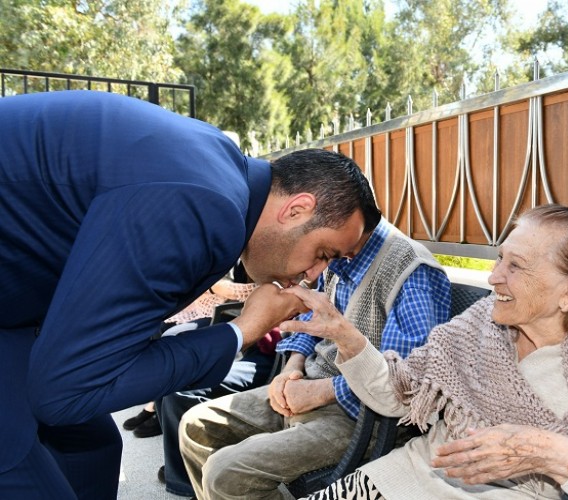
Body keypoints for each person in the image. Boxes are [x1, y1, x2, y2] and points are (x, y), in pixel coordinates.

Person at [0, 90, 376, 499]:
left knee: (91, 448)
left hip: (15, 308)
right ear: (297, 210)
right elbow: (65, 392)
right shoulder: (203, 204)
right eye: (322, 254)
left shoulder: (219, 169)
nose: (315, 272)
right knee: (25, 468)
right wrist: (244, 329)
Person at [281, 203, 568, 500]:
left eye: (515, 266)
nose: (493, 277)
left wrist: (555, 456)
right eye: (500, 258)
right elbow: (393, 397)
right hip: (418, 471)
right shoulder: (482, 321)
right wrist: (349, 339)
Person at [178, 215, 452, 500]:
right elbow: (312, 320)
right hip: (308, 387)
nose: (309, 272)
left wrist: (320, 392)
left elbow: (403, 381)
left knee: (226, 473)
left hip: (361, 415)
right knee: (196, 425)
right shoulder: (340, 251)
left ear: (343, 215)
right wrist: (291, 369)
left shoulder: (411, 270)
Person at [124, 264, 260, 439]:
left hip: (236, 312)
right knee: (159, 328)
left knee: (173, 338)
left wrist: (220, 287)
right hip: (215, 302)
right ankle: (159, 409)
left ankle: (163, 412)